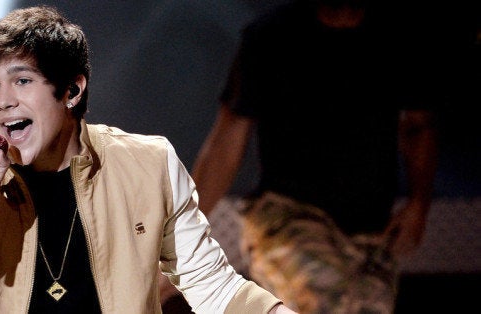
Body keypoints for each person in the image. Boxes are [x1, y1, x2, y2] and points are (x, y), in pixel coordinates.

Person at [0, 5, 297, 314]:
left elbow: (213, 286)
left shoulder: (149, 165)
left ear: (72, 90)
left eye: (22, 80)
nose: (3, 101)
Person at [188, 0, 439, 313]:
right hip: (285, 220)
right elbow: (227, 141)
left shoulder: (398, 37)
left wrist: (419, 205)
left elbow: (418, 125)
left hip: (368, 232)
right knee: (323, 302)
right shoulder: (272, 36)